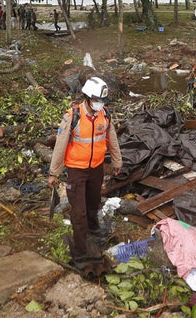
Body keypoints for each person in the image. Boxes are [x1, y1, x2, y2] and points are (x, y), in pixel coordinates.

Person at [47, 77, 122, 263]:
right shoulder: (73, 116)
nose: (100, 104)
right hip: (77, 171)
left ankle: (94, 227)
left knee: (94, 200)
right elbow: (60, 145)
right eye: (97, 100)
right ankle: (81, 251)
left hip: (96, 168)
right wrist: (53, 173)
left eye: (102, 101)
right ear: (88, 98)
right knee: (78, 211)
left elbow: (111, 137)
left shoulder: (105, 114)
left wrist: (116, 161)